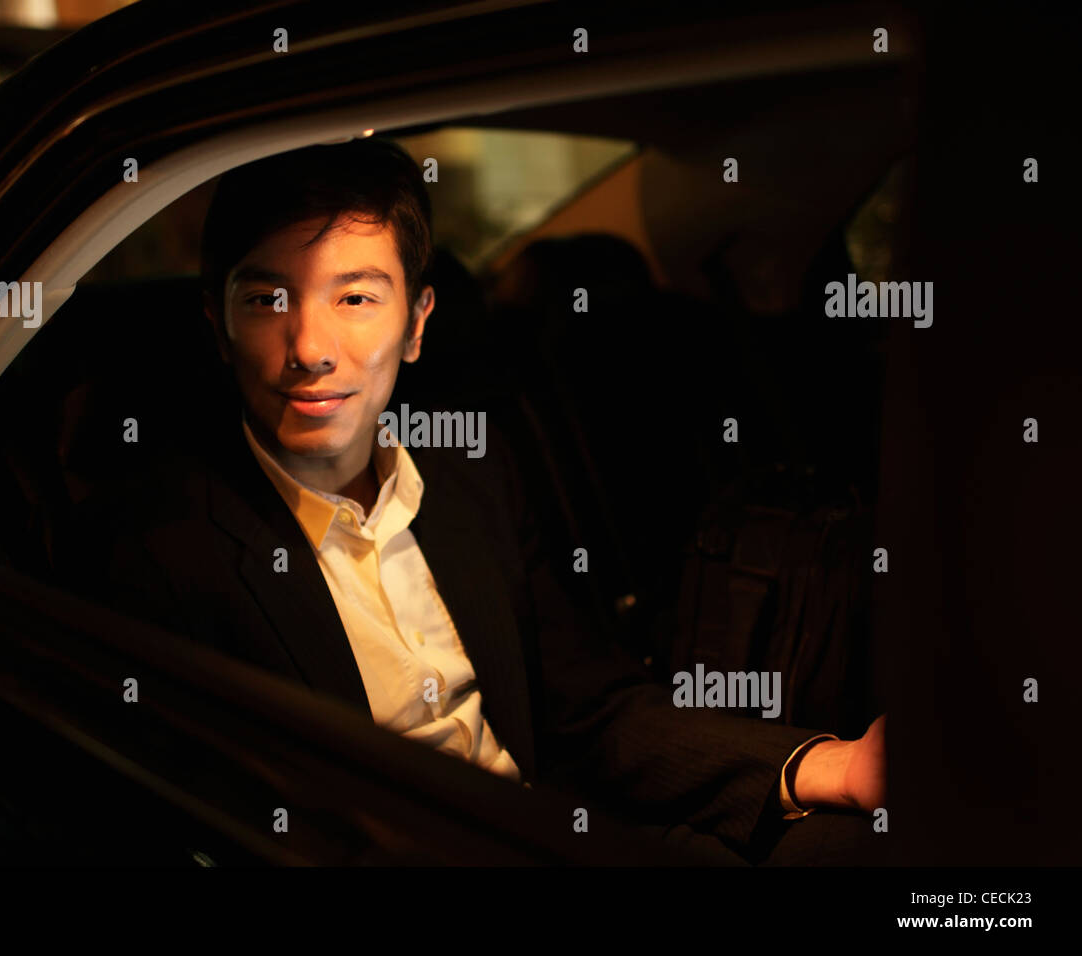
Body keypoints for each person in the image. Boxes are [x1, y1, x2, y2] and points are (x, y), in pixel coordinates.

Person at [75, 137, 885, 864]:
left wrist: (831, 766)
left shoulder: (468, 477)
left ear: (418, 322)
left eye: (355, 298)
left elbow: (589, 709)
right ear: (218, 327)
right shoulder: (167, 550)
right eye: (265, 301)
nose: (311, 349)